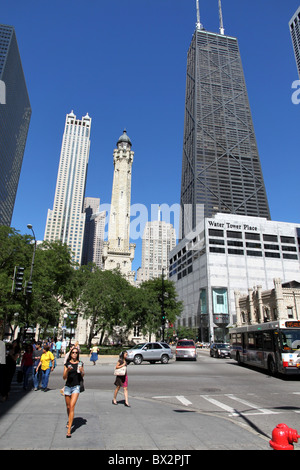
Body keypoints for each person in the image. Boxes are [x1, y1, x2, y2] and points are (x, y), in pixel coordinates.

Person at [63, 347, 84, 438]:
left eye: (76, 353)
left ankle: (69, 430)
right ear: (70, 354)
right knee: (68, 406)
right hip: (67, 387)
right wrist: (67, 370)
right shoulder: (67, 364)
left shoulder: (80, 363)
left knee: (72, 406)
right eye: (73, 353)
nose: (74, 354)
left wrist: (82, 371)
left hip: (76, 387)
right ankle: (69, 420)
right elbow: (64, 377)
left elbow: (82, 375)